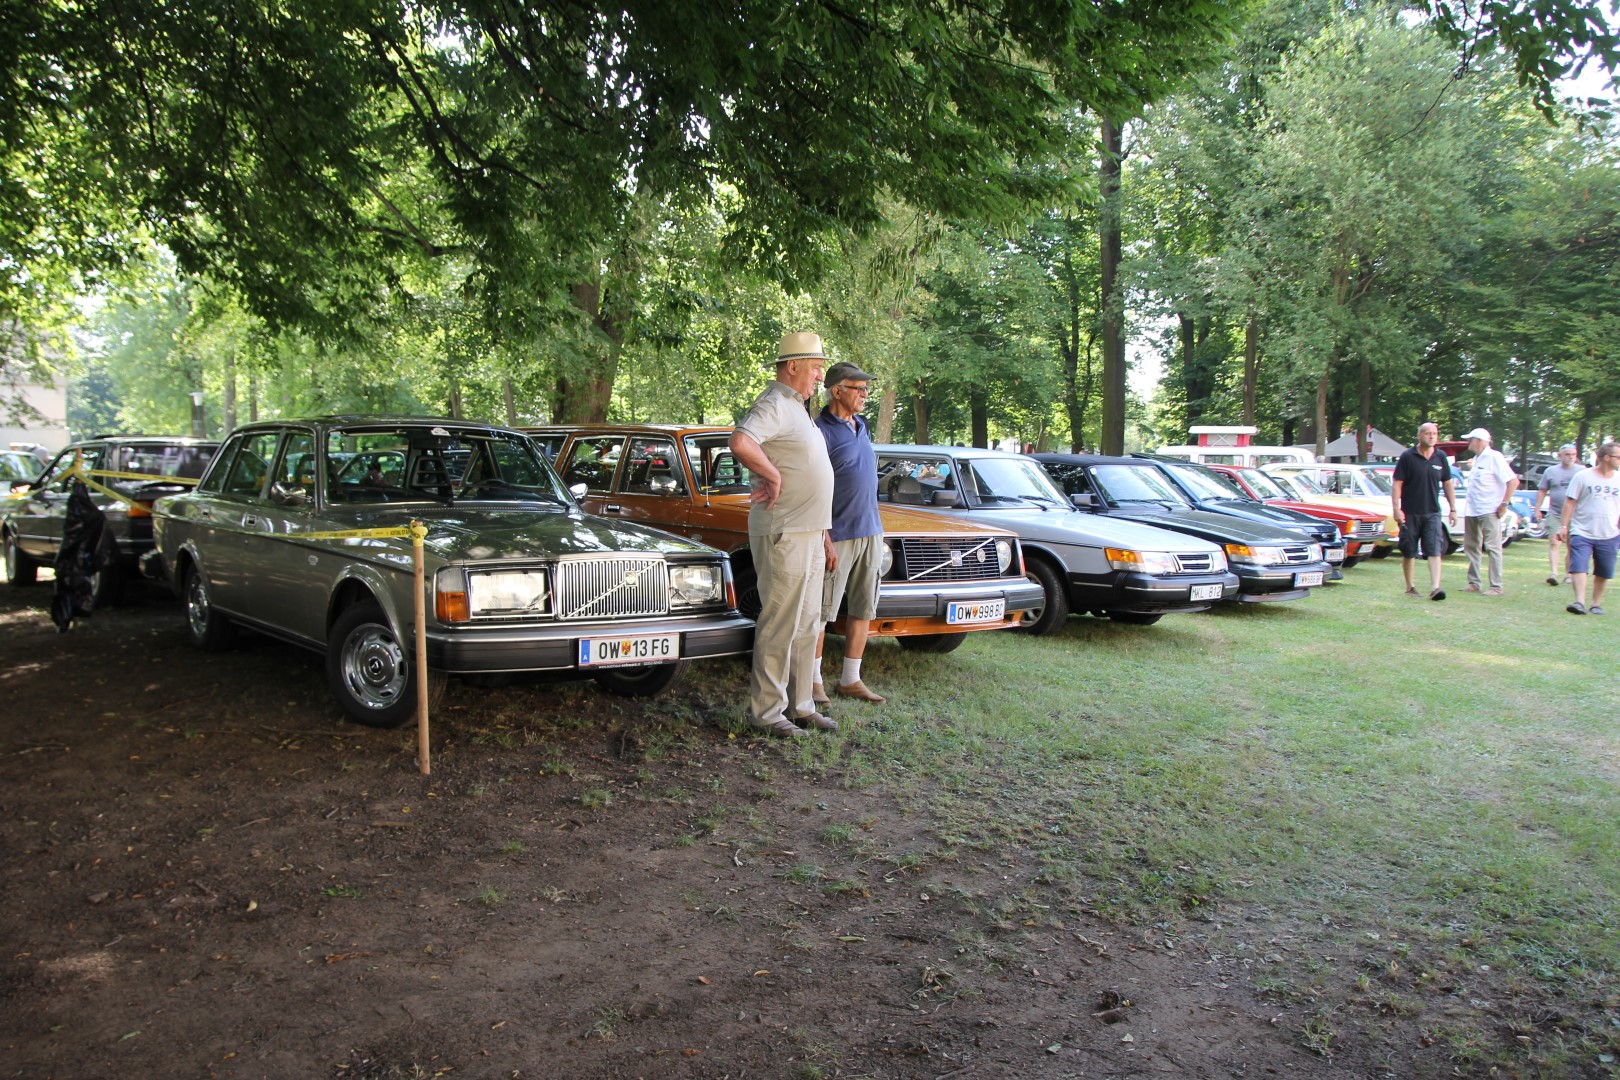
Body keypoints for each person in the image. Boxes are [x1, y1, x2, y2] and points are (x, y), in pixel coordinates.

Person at [729, 332, 838, 738]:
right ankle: (768, 712)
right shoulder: (775, 403)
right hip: (784, 531)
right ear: (792, 366)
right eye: (815, 368)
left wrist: (824, 535)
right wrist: (771, 474)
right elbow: (741, 441)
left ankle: (801, 705)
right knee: (781, 622)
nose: (820, 376)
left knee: (808, 621)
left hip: (808, 531)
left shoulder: (799, 408)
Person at [812, 360, 886, 706]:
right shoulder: (819, 431)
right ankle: (812, 683)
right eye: (858, 389)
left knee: (863, 608)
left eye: (866, 389)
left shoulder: (862, 425)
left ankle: (850, 679)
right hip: (837, 533)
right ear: (836, 390)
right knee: (822, 612)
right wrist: (824, 537)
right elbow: (812, 488)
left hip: (870, 530)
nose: (864, 395)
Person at [1391, 421, 1458, 601]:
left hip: (1432, 512)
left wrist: (1453, 509)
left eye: (1434, 433)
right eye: (1427, 433)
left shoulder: (1440, 457)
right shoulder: (1407, 457)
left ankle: (1435, 587)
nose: (1431, 436)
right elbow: (1397, 483)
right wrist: (1396, 509)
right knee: (1409, 550)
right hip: (1410, 511)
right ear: (1419, 436)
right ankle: (1410, 586)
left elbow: (1447, 483)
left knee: (1434, 549)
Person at [1556, 441, 1620, 615]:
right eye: (1618, 457)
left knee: (1604, 571)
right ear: (1607, 457)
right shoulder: (1583, 476)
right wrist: (1563, 526)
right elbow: (1570, 502)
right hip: (1582, 530)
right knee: (1579, 566)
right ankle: (1579, 602)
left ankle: (1596, 604)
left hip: (1609, 532)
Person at [1458, 427, 1518, 595]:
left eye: (1470, 440)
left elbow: (1513, 481)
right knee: (1471, 547)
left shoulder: (1494, 457)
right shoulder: (1477, 459)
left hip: (1489, 509)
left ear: (1478, 441)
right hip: (1473, 509)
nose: (1468, 443)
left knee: (1493, 547)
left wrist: (1504, 504)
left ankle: (1496, 586)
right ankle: (1474, 582)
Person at [1535, 444, 1582, 586]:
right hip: (1555, 513)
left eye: (1573, 454)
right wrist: (1537, 509)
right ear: (1560, 455)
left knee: (1571, 545)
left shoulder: (1582, 472)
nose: (1571, 457)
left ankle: (1568, 574)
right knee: (1554, 542)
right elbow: (1542, 490)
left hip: (1576, 515)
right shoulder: (1550, 471)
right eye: (1567, 454)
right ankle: (1554, 573)